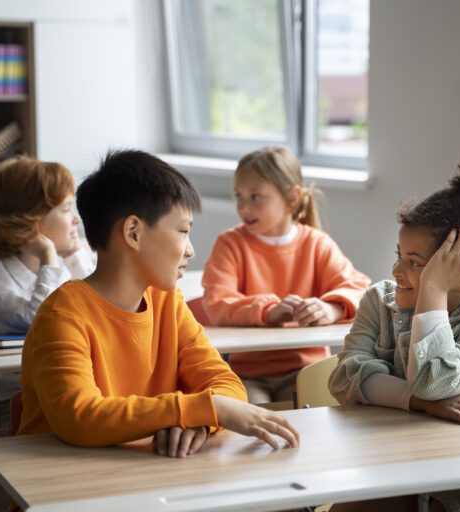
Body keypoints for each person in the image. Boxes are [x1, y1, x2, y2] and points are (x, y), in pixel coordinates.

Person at [16, 149, 300, 460]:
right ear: (133, 232)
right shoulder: (62, 315)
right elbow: (81, 417)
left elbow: (225, 384)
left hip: (139, 481)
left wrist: (200, 422)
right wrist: (202, 409)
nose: (190, 250)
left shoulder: (168, 303)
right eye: (183, 231)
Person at [328, 153, 460, 511]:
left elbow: (433, 380)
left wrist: (433, 291)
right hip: (399, 464)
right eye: (399, 255)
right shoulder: (380, 301)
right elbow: (344, 376)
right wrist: (419, 402)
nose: (395, 270)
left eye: (414, 263)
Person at [202, 146, 370, 404]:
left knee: (319, 421)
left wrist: (332, 308)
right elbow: (217, 303)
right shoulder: (229, 244)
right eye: (239, 196)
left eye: (255, 196)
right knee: (255, 418)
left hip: (308, 370)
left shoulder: (317, 244)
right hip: (248, 374)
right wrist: (269, 310)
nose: (243, 207)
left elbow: (361, 290)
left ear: (291, 197)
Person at [0, 158, 94, 420]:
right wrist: (47, 255)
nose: (76, 219)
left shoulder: (64, 265)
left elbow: (102, 308)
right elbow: (39, 322)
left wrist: (75, 254)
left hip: (55, 393)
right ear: (29, 221)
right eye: (66, 209)